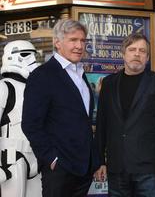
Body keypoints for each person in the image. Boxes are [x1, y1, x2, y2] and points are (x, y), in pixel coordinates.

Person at [21, 19, 100, 197]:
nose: (79, 45)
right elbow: (30, 124)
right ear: (57, 42)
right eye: (73, 40)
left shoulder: (80, 73)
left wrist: (93, 160)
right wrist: (51, 158)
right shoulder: (42, 75)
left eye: (82, 40)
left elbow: (82, 120)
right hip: (60, 170)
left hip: (84, 168)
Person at [94, 33, 155, 196]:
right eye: (132, 49)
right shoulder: (109, 84)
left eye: (142, 51)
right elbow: (102, 124)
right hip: (117, 167)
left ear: (147, 57)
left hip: (149, 169)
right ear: (123, 54)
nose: (137, 54)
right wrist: (99, 162)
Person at [0, 40, 41, 197]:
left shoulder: (35, 88)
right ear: (11, 57)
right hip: (11, 158)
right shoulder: (4, 87)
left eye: (33, 55)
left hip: (36, 156)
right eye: (25, 55)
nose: (31, 60)